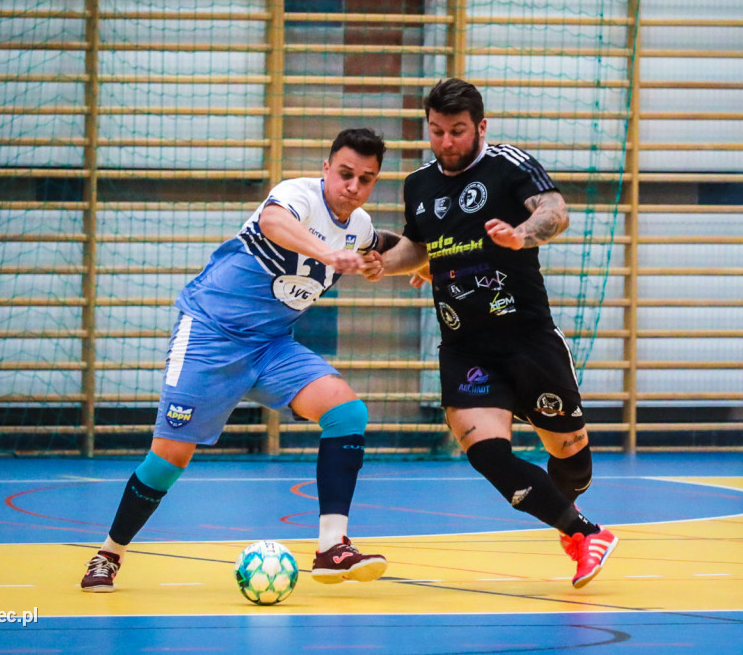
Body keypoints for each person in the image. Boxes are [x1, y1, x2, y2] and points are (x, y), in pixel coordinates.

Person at [81, 128, 397, 592]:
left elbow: (383, 243)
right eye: (345, 173)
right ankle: (109, 552)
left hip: (271, 345)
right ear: (327, 169)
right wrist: (327, 252)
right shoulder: (297, 196)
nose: (353, 186)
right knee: (169, 458)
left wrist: (417, 266)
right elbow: (273, 223)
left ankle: (332, 548)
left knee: (347, 412)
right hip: (210, 334)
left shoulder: (360, 226)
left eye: (366, 179)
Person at [370, 79, 617, 589]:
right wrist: (380, 264)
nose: (446, 143)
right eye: (436, 132)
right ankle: (582, 534)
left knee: (572, 464)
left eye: (457, 132)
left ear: (480, 127)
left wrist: (520, 235)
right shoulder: (419, 184)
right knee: (486, 453)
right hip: (465, 346)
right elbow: (418, 249)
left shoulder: (509, 165)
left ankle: (571, 504)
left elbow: (555, 212)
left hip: (527, 339)